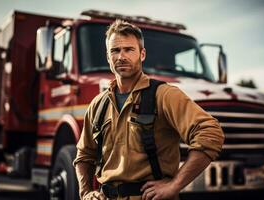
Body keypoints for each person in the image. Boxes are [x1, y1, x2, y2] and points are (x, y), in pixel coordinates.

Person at [74, 19, 224, 200]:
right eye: (115, 50)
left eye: (129, 49)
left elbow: (210, 133)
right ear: (108, 57)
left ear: (142, 54)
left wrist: (174, 185)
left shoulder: (164, 95)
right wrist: (86, 193)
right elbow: (84, 155)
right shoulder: (98, 105)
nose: (121, 56)